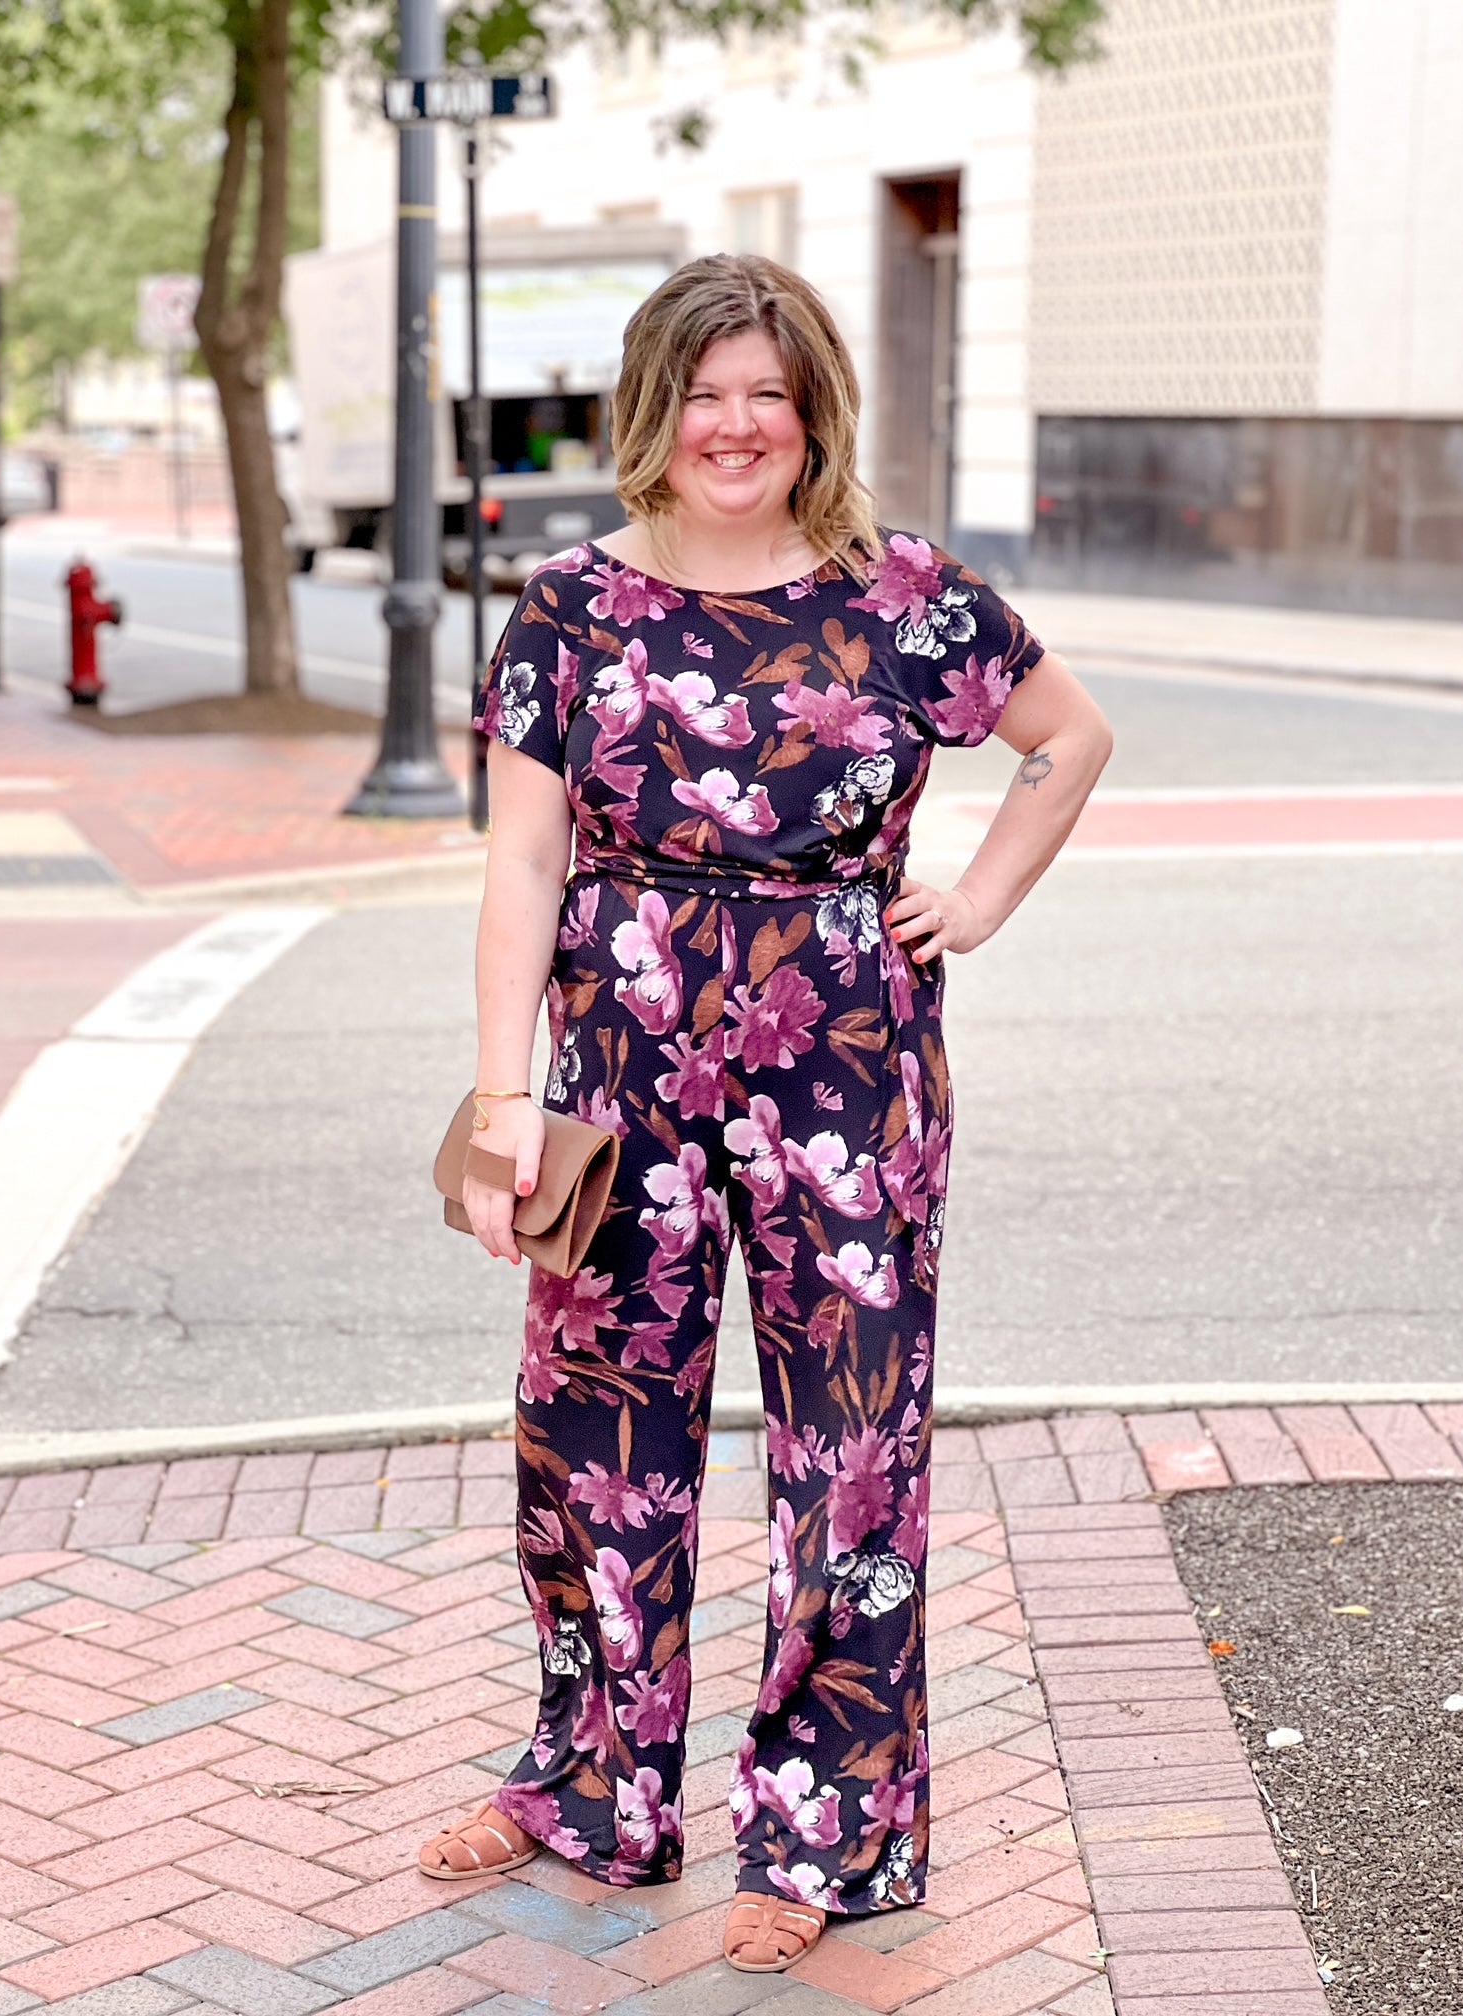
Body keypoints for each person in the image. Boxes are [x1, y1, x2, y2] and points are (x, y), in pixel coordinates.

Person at [418, 253, 1112, 1972]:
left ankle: (821, 1834)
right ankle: (593, 1786)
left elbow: (1069, 739)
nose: (736, 426)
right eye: (704, 392)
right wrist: (507, 1095)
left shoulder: (904, 596)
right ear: (653, 409)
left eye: (767, 394)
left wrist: (982, 899)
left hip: (850, 1057)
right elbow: (519, 858)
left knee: (850, 1446)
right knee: (593, 1428)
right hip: (619, 1041)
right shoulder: (568, 605)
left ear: (812, 411)